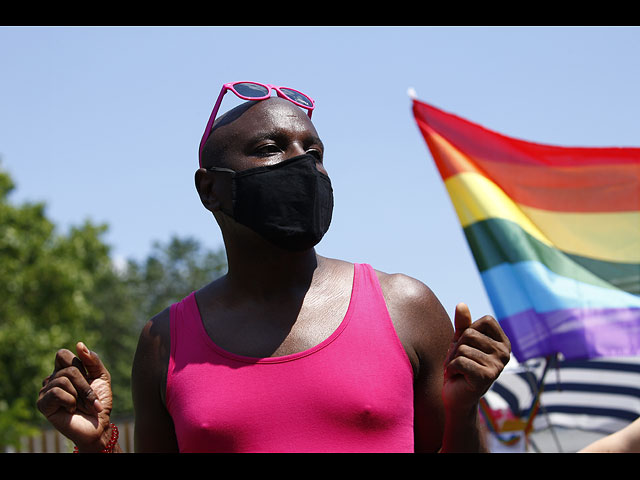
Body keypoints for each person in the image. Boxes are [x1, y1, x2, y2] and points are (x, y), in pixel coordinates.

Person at [37, 82, 511, 453]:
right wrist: (96, 446)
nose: (303, 164)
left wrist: (464, 408)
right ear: (210, 190)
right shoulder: (164, 342)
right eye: (270, 148)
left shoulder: (405, 307)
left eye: (315, 151)